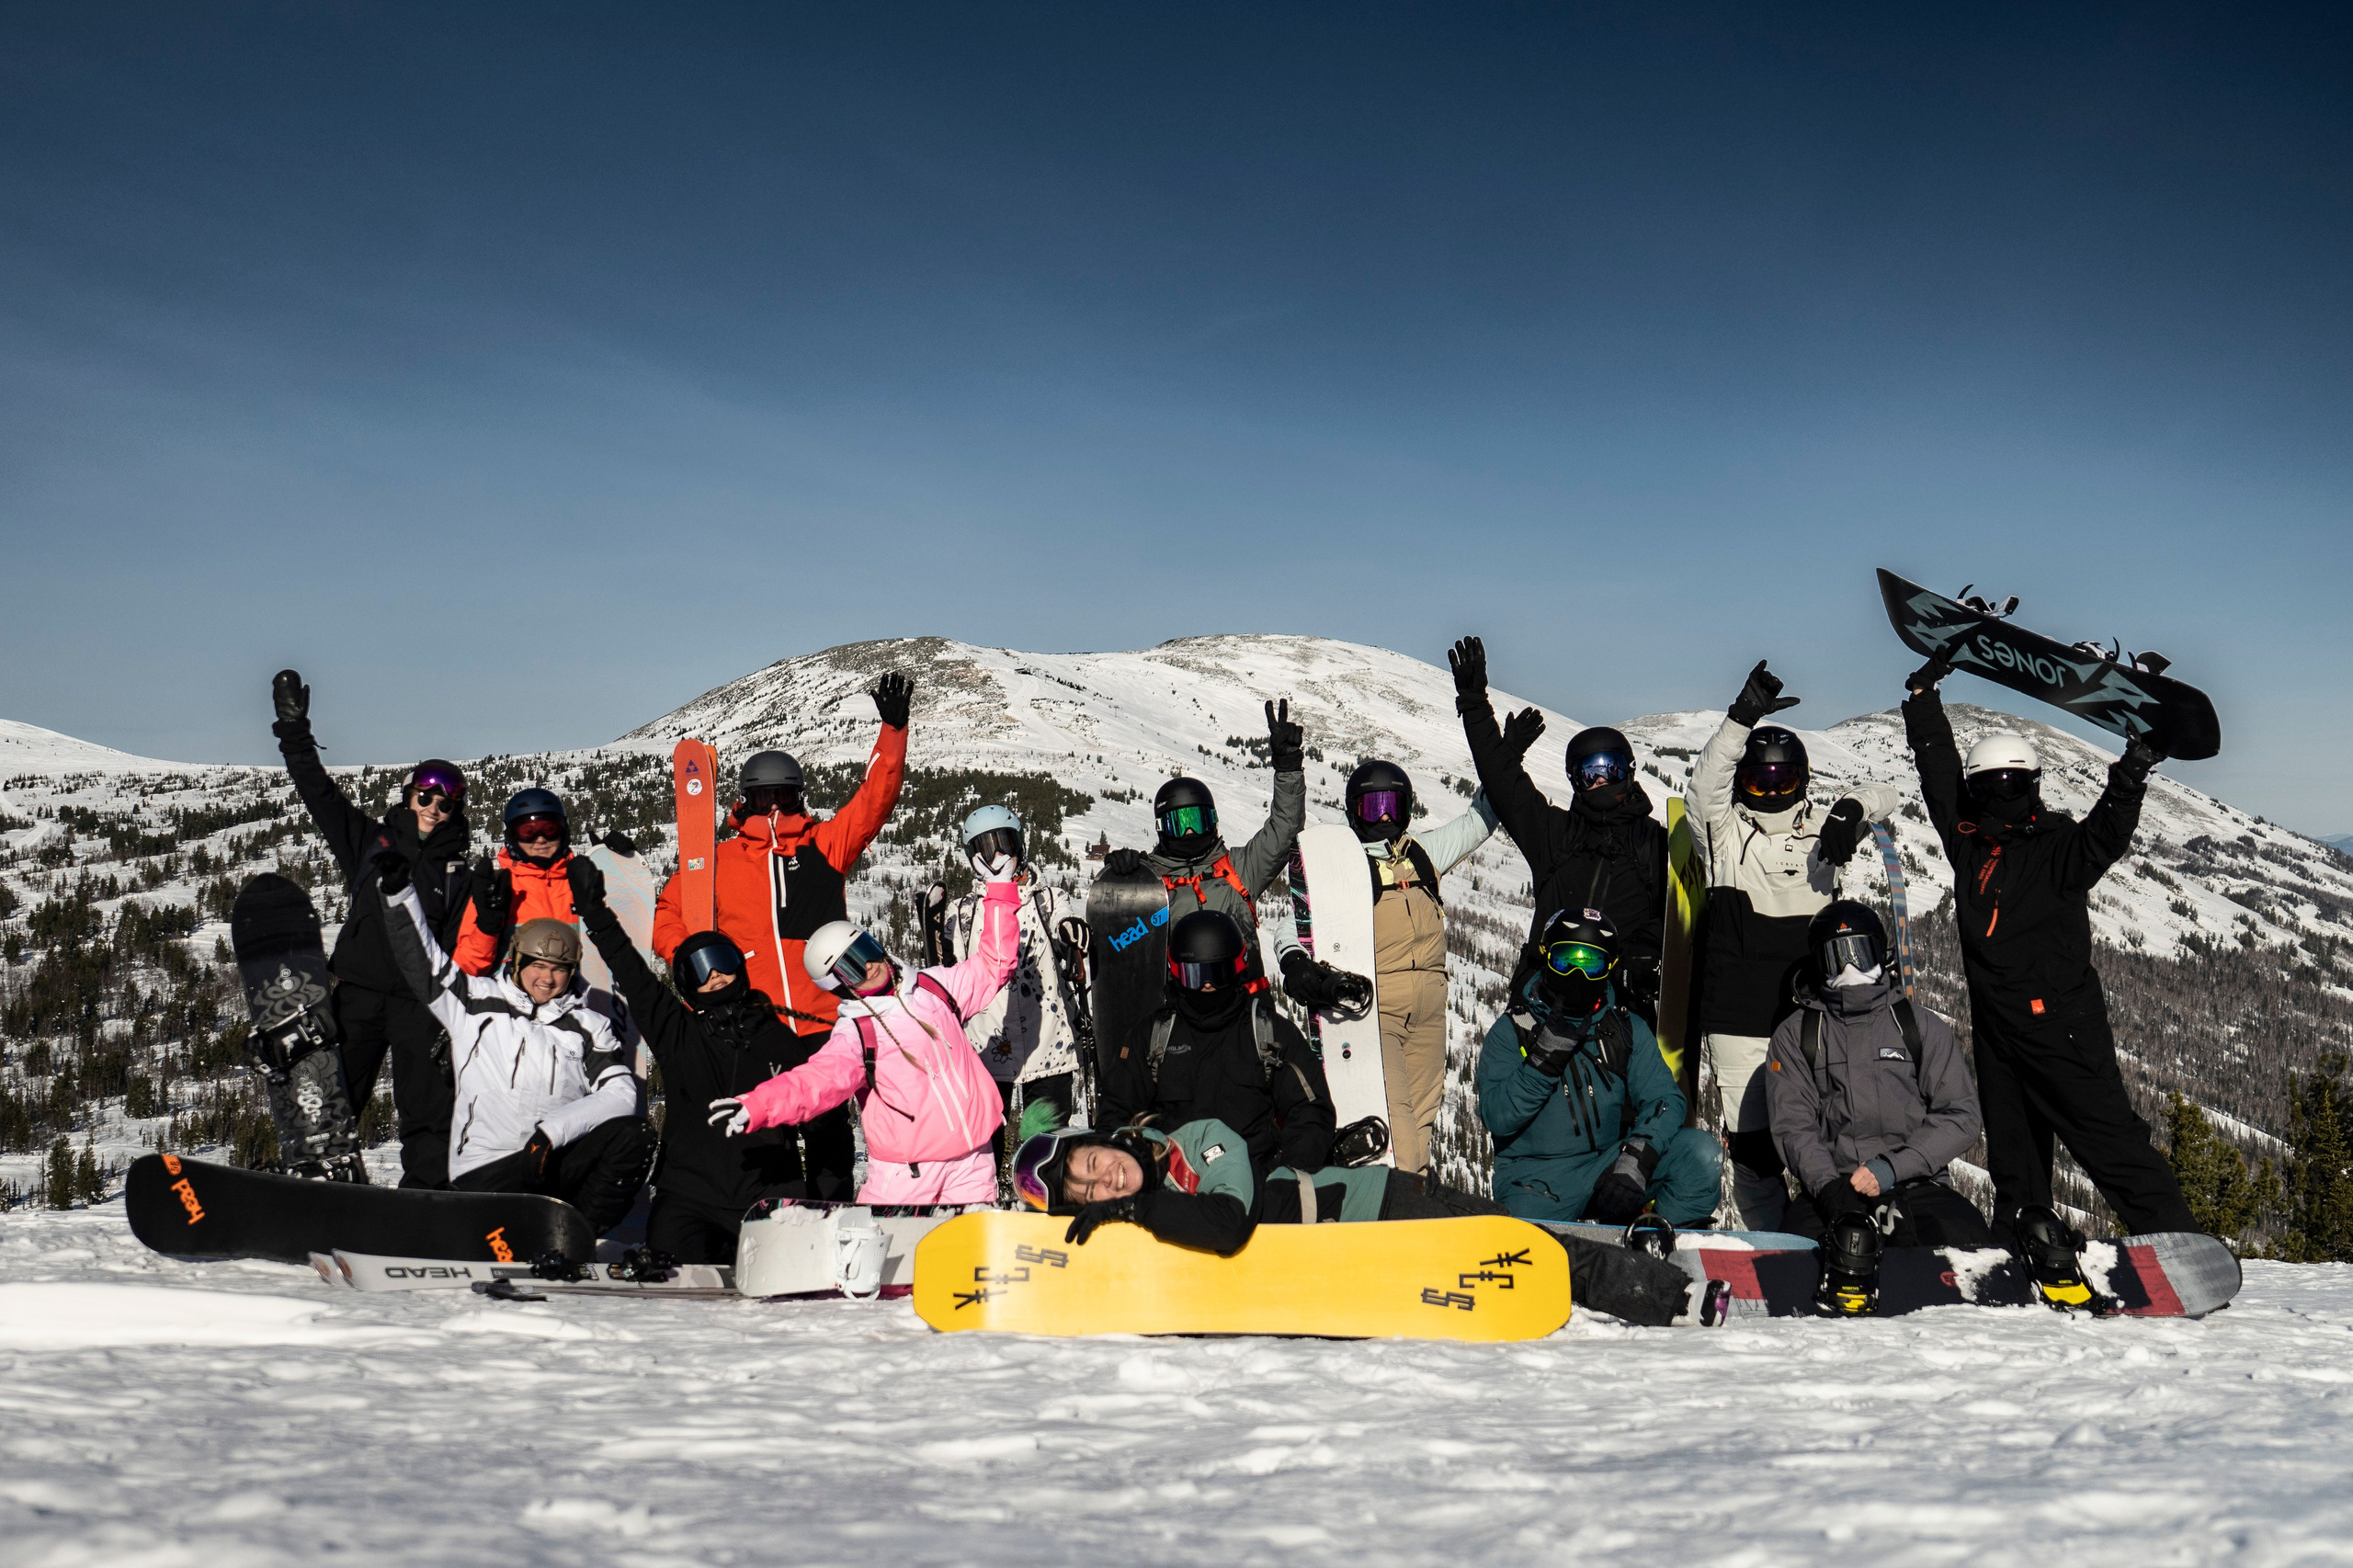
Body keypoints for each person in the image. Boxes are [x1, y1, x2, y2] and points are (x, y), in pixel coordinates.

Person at [1903, 651, 2196, 1246]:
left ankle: (2176, 1241)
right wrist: (1922, 700)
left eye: (2010, 784)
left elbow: (2106, 833)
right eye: (1988, 786)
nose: (1999, 795)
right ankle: (2023, 1243)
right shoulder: (1970, 844)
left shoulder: (2058, 847)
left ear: (2031, 786)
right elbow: (1939, 775)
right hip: (1997, 1029)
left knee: (2106, 1137)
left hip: (2060, 1024)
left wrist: (2133, 771)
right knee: (2015, 1156)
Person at [1011, 1112, 1725, 1328]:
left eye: (1093, 1162)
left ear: (1106, 1141)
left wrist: (1135, 1209)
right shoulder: (1127, 1225)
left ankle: (1674, 1296)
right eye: (1086, 1191)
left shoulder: (1200, 1142)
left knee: (1526, 1248)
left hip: (1382, 1209)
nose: (1103, 1180)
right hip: (1354, 1272)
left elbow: (1225, 1227)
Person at [651, 674, 914, 1199]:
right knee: (766, 1133)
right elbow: (668, 913)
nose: (774, 808)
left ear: (799, 798)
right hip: (756, 1022)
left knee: (828, 1133)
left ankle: (832, 1216)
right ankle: (769, 1217)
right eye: (763, 797)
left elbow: (874, 802)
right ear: (745, 801)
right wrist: (693, 959)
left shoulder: (825, 846)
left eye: (784, 796)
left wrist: (892, 731)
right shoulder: (719, 861)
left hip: (823, 1019)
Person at [1687, 660, 1902, 1229]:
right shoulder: (1724, 835)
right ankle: (1772, 1244)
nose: (1771, 793)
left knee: (1827, 1139)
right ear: (1742, 785)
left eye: (1783, 782)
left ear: (1802, 781)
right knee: (1754, 1148)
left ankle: (1834, 1230)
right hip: (1739, 1017)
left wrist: (1851, 809)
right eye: (1759, 782)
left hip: (1815, 1017)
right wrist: (1741, 718)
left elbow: (1889, 792)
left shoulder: (1824, 835)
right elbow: (1703, 789)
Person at [705, 854, 1020, 1205]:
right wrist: (759, 1105)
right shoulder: (856, 1034)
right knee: (888, 1242)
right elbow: (817, 1081)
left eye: (867, 950)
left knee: (972, 1240)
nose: (870, 966)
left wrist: (1000, 889)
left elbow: (995, 963)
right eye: (852, 967)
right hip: (908, 1176)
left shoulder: (934, 988)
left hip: (974, 1162)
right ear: (838, 984)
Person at [566, 856, 831, 1264]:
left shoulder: (780, 1040)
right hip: (690, 1194)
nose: (715, 976)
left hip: (769, 1195)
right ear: (687, 985)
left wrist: (827, 1203)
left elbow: (822, 1127)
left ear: (739, 967)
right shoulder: (678, 1032)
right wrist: (596, 914)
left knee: (792, 1276)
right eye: (700, 970)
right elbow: (634, 975)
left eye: (722, 963)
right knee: (670, 1272)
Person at [376, 852, 654, 1230]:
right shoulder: (474, 1002)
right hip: (487, 1167)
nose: (547, 979)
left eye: (559, 969)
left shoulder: (590, 1026)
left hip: (552, 1159)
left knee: (633, 1136)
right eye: (537, 965)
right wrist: (399, 893)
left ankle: (578, 1239)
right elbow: (422, 962)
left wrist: (552, 1133)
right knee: (495, 1242)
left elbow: (621, 1095)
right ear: (517, 962)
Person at [268, 669, 471, 1187]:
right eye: (425, 796)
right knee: (330, 1100)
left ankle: (425, 1199)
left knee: (428, 1113)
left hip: (421, 1005)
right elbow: (318, 792)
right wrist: (294, 731)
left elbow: (469, 946)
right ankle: (310, 1184)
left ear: (455, 812)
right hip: (358, 994)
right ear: (408, 796)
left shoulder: (460, 873)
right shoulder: (370, 841)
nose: (433, 808)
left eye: (445, 803)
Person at [1765, 902, 1994, 1312]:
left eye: (1860, 953)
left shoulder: (1918, 1026)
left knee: (1969, 1241)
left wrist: (1892, 1167)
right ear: (1819, 965)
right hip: (1835, 1189)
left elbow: (1960, 1115)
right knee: (1790, 1260)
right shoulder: (1797, 1035)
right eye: (1836, 957)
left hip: (1915, 1183)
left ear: (1881, 955)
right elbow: (1793, 1125)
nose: (1850, 968)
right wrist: (1829, 1188)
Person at [1285, 759, 1500, 1176]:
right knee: (1397, 1128)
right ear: (1355, 811)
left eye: (1393, 806)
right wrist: (1295, 960)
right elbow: (1295, 924)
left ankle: (1413, 1201)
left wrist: (1501, 766)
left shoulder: (1421, 853)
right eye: (1373, 807)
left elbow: (1477, 823)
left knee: (1422, 1123)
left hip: (1429, 1013)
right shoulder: (1345, 865)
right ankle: (1403, 1201)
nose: (1384, 817)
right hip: (1379, 1013)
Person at [1448, 637, 1669, 1028]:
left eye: (1610, 768)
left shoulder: (1654, 843)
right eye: (1589, 772)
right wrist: (1474, 704)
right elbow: (1504, 785)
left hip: (1621, 1007)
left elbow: (1676, 917)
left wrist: (1646, 949)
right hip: (1543, 1003)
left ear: (1629, 771)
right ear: (1574, 780)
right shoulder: (1555, 835)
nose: (1600, 780)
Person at [1477, 909, 1722, 1227]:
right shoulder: (1514, 1029)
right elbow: (1497, 1117)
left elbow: (1665, 1098)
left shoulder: (1623, 1028)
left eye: (1592, 963)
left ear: (1609, 967)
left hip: (1609, 1163)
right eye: (1565, 960)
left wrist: (1637, 1157)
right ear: (1546, 957)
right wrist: (1544, 1059)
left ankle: (1658, 1241)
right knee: (1531, 1246)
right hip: (1535, 1179)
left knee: (1699, 1155)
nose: (1577, 974)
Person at [1097, 909, 1337, 1176]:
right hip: (1174, 1182)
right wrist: (1129, 1173)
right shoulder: (1153, 1035)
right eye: (1196, 975)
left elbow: (1310, 1110)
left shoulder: (1269, 1033)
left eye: (1218, 973)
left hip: (1255, 1182)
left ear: (1238, 969)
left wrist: (1289, 1177)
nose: (1207, 985)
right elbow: (1117, 1111)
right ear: (1177, 973)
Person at [1100, 699, 1307, 989]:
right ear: (1161, 829)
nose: (1188, 832)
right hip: (1182, 1007)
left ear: (1212, 821)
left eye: (1196, 820)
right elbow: (1120, 941)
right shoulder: (1151, 883)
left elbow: (1285, 830)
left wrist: (1287, 767)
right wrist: (1122, 880)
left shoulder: (1240, 869)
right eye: (1178, 823)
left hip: (1245, 1002)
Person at [936, 805, 1090, 1165]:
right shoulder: (963, 911)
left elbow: (1063, 922)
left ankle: (1045, 1190)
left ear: (1020, 845)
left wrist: (1070, 932)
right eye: (985, 849)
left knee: (1047, 1142)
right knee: (984, 1139)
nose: (997, 857)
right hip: (987, 1044)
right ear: (971, 857)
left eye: (1003, 844)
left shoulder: (1047, 898)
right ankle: (985, 1189)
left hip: (1047, 1041)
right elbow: (952, 974)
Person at [451, 788, 578, 975]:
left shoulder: (581, 883)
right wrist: (487, 927)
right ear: (512, 836)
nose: (540, 840)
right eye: (528, 832)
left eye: (550, 829)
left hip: (577, 992)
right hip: (510, 993)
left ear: (563, 831)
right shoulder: (499, 889)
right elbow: (466, 968)